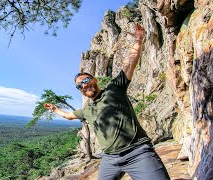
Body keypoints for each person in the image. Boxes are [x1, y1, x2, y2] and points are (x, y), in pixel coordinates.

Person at [44, 23, 170, 180]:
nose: (83, 85)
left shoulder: (114, 89)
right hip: (110, 159)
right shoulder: (87, 110)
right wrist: (55, 109)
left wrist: (138, 40)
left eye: (86, 80)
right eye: (79, 86)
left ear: (95, 79)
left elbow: (130, 63)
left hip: (137, 152)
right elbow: (69, 116)